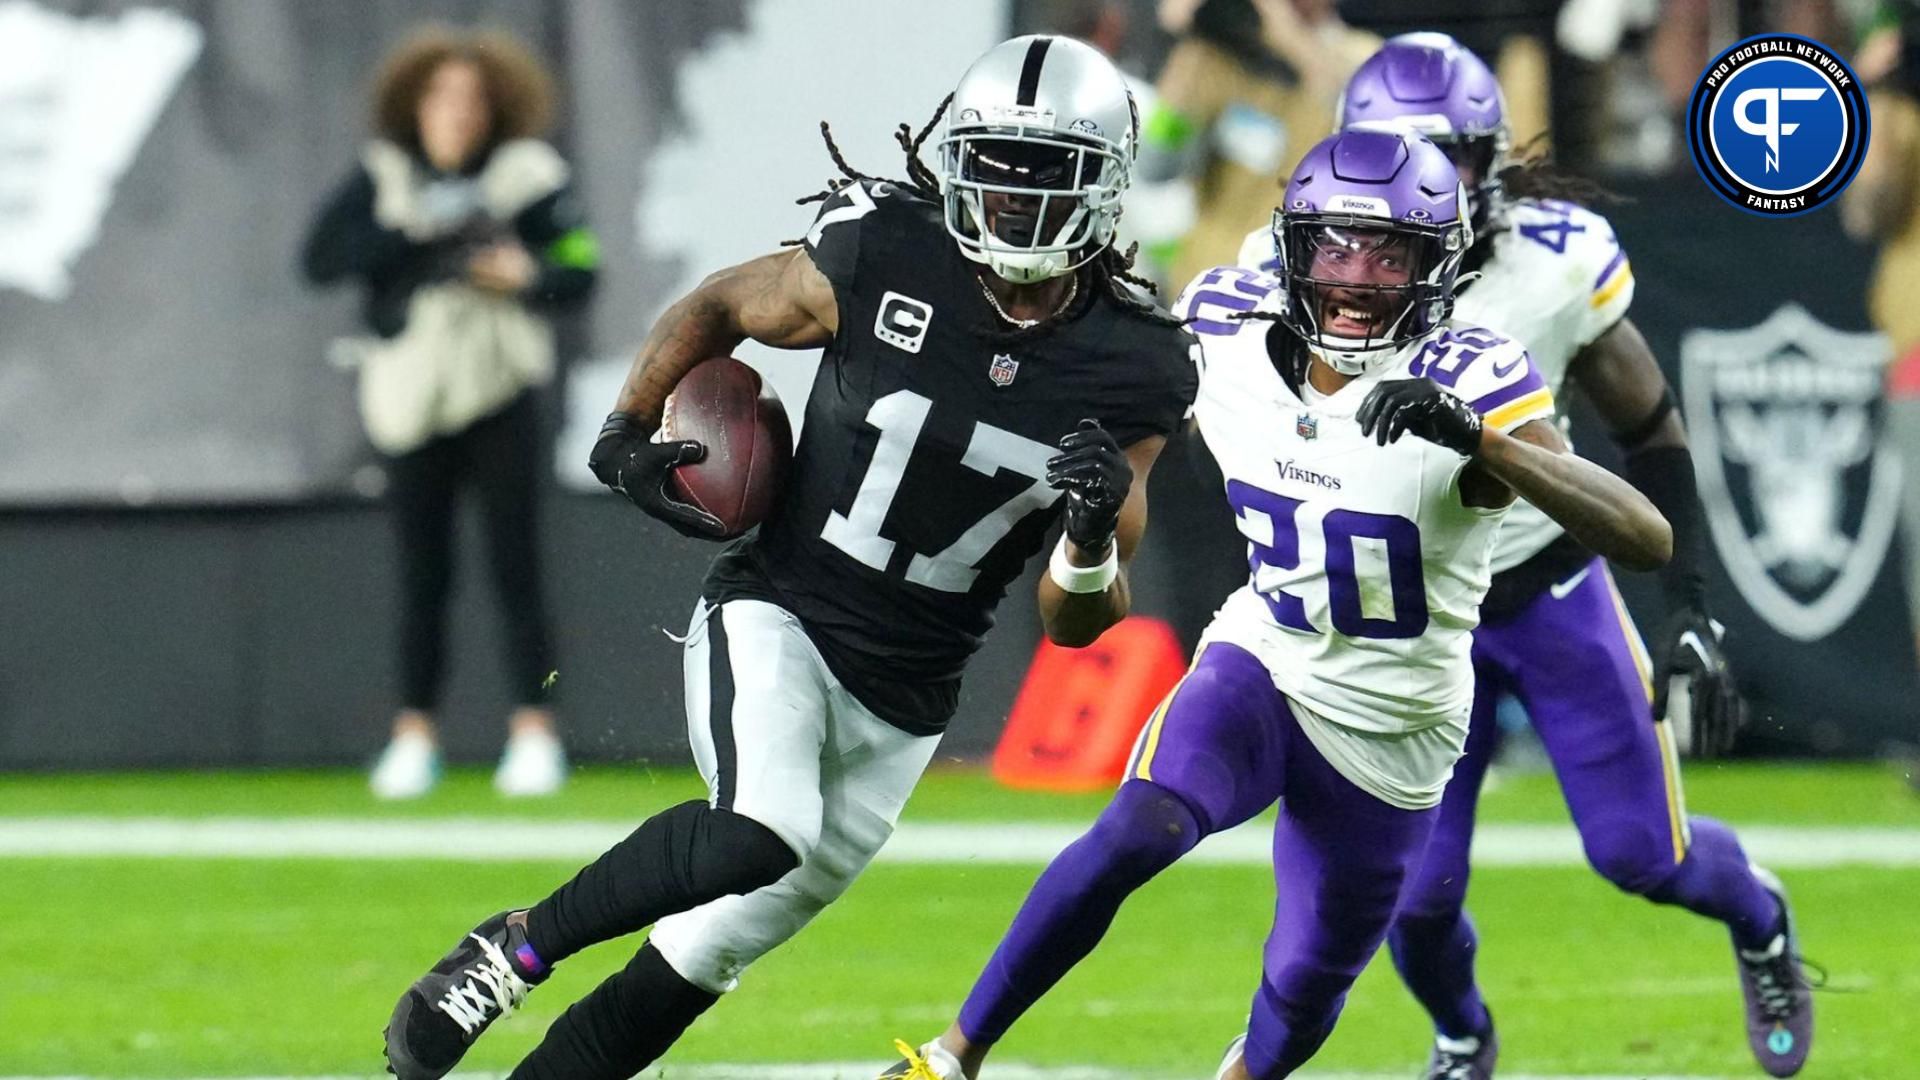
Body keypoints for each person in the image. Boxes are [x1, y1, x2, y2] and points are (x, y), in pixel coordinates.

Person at [380, 34, 1198, 1080]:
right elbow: (723, 302)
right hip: (784, 612)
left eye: (1046, 174)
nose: (1013, 199)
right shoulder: (887, 251)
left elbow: (1077, 617)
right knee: (758, 828)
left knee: (700, 953)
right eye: (994, 164)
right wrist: (628, 424)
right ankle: (512, 949)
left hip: (907, 699)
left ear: (1106, 186)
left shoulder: (1137, 361)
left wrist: (1087, 533)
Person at [885, 126, 1671, 1080]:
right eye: (1335, 246)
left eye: (1390, 253)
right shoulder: (1222, 323)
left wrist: (1488, 445)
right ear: (1294, 249)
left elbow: (1644, 535)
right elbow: (1078, 352)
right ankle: (948, 1059)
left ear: (1439, 263)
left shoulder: (1475, 372)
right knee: (1138, 827)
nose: (1355, 277)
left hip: (1395, 724)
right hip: (1265, 658)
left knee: (1301, 987)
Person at [1248, 34, 1811, 1079]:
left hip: (1548, 592)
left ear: (1491, 160)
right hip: (1416, 622)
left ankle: (1762, 918)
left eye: (1453, 158)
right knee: (1412, 899)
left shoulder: (1553, 261)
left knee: (1647, 855)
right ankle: (1463, 1035)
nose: (1433, 185)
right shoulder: (1304, 273)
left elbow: (1650, 428)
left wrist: (1686, 602)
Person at [301, 26, 597, 800]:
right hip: (410, 398)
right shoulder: (384, 177)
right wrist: (415, 238)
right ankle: (414, 734)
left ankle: (534, 731)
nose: (457, 113)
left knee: (516, 565)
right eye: (441, 97)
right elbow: (321, 258)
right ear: (415, 105)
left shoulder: (527, 177)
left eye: (472, 98)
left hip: (499, 389)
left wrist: (522, 272)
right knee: (421, 574)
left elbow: (580, 265)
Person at [1126, 0, 1378, 293]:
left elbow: (1357, 123)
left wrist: (1286, 33)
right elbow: (1156, 166)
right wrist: (1188, 48)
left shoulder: (1364, 55)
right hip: (1206, 279)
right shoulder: (1220, 55)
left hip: (1296, 282)